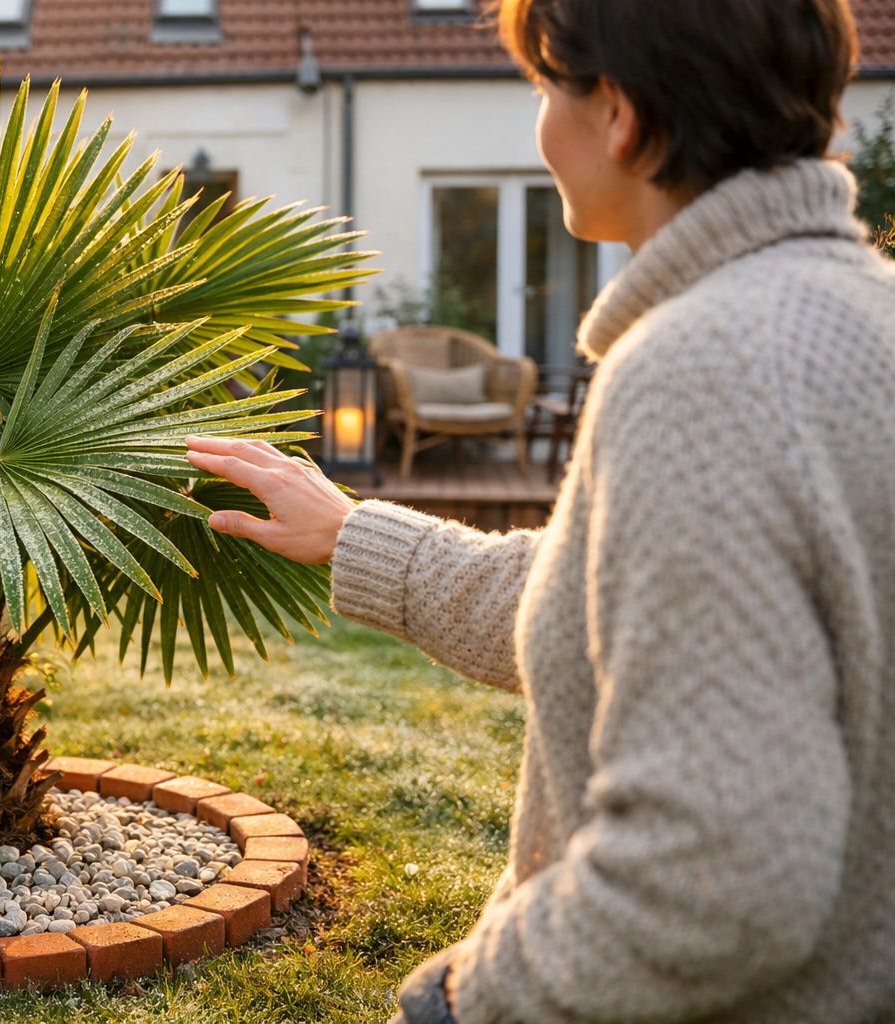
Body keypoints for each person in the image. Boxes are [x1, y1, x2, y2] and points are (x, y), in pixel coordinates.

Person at [185, 1, 895, 1021]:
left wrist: (464, 1000)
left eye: (543, 86)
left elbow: (715, 884)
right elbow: (611, 603)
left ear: (619, 114)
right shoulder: (861, 317)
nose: (540, 125)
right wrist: (354, 533)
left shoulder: (705, 370)